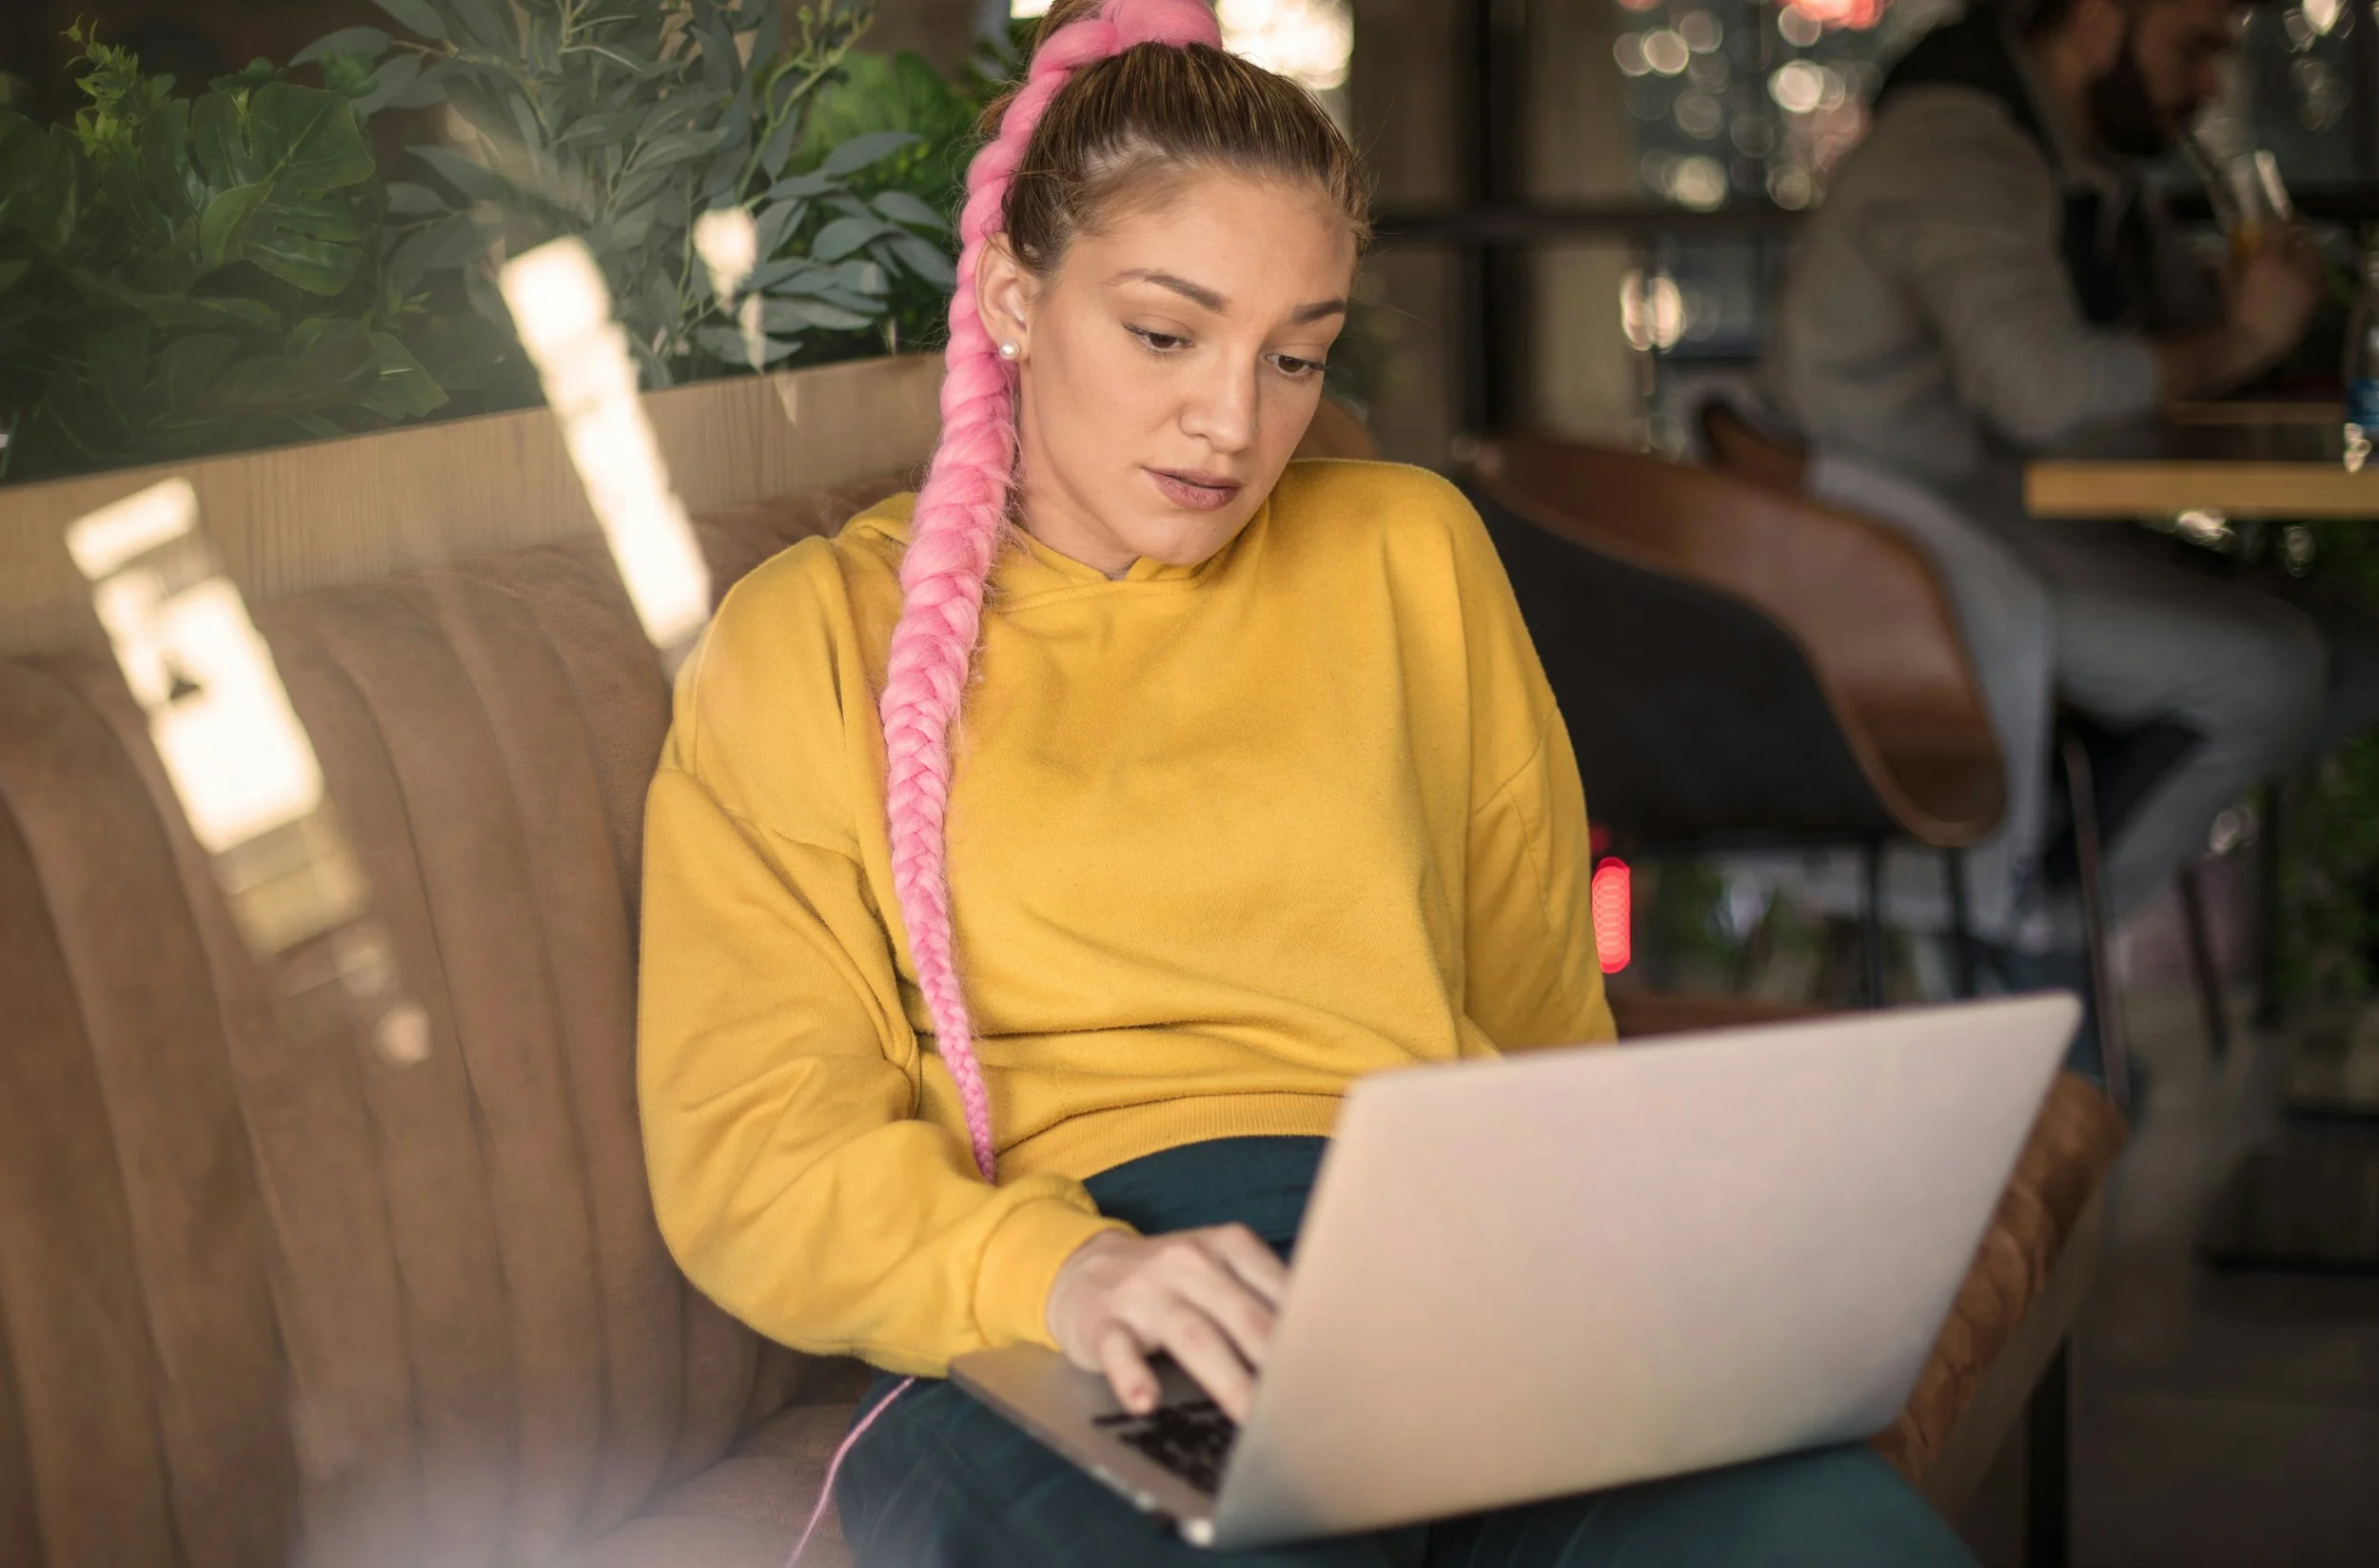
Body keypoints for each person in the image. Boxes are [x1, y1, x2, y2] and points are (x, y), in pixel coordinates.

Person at [637, 1, 1980, 1562]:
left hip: (1458, 1276)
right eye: (1165, 332)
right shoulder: (812, 638)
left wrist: (1625, 1281)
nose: (1234, 420)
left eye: (1297, 356)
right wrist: (1059, 1276)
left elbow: (1539, 1003)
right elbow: (755, 1143)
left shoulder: (1410, 550)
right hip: (1087, 1314)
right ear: (1013, 291)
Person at [1757, 0, 2379, 982]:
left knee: (2352, 647)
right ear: (2097, 21)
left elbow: (2158, 350)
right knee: (2268, 669)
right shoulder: (1961, 149)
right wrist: (2244, 338)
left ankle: (2043, 844)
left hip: (2009, 525)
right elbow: (2047, 392)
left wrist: (2248, 317)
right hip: (1901, 554)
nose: (2210, 86)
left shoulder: (2083, 163)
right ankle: (2024, 928)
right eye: (2194, 50)